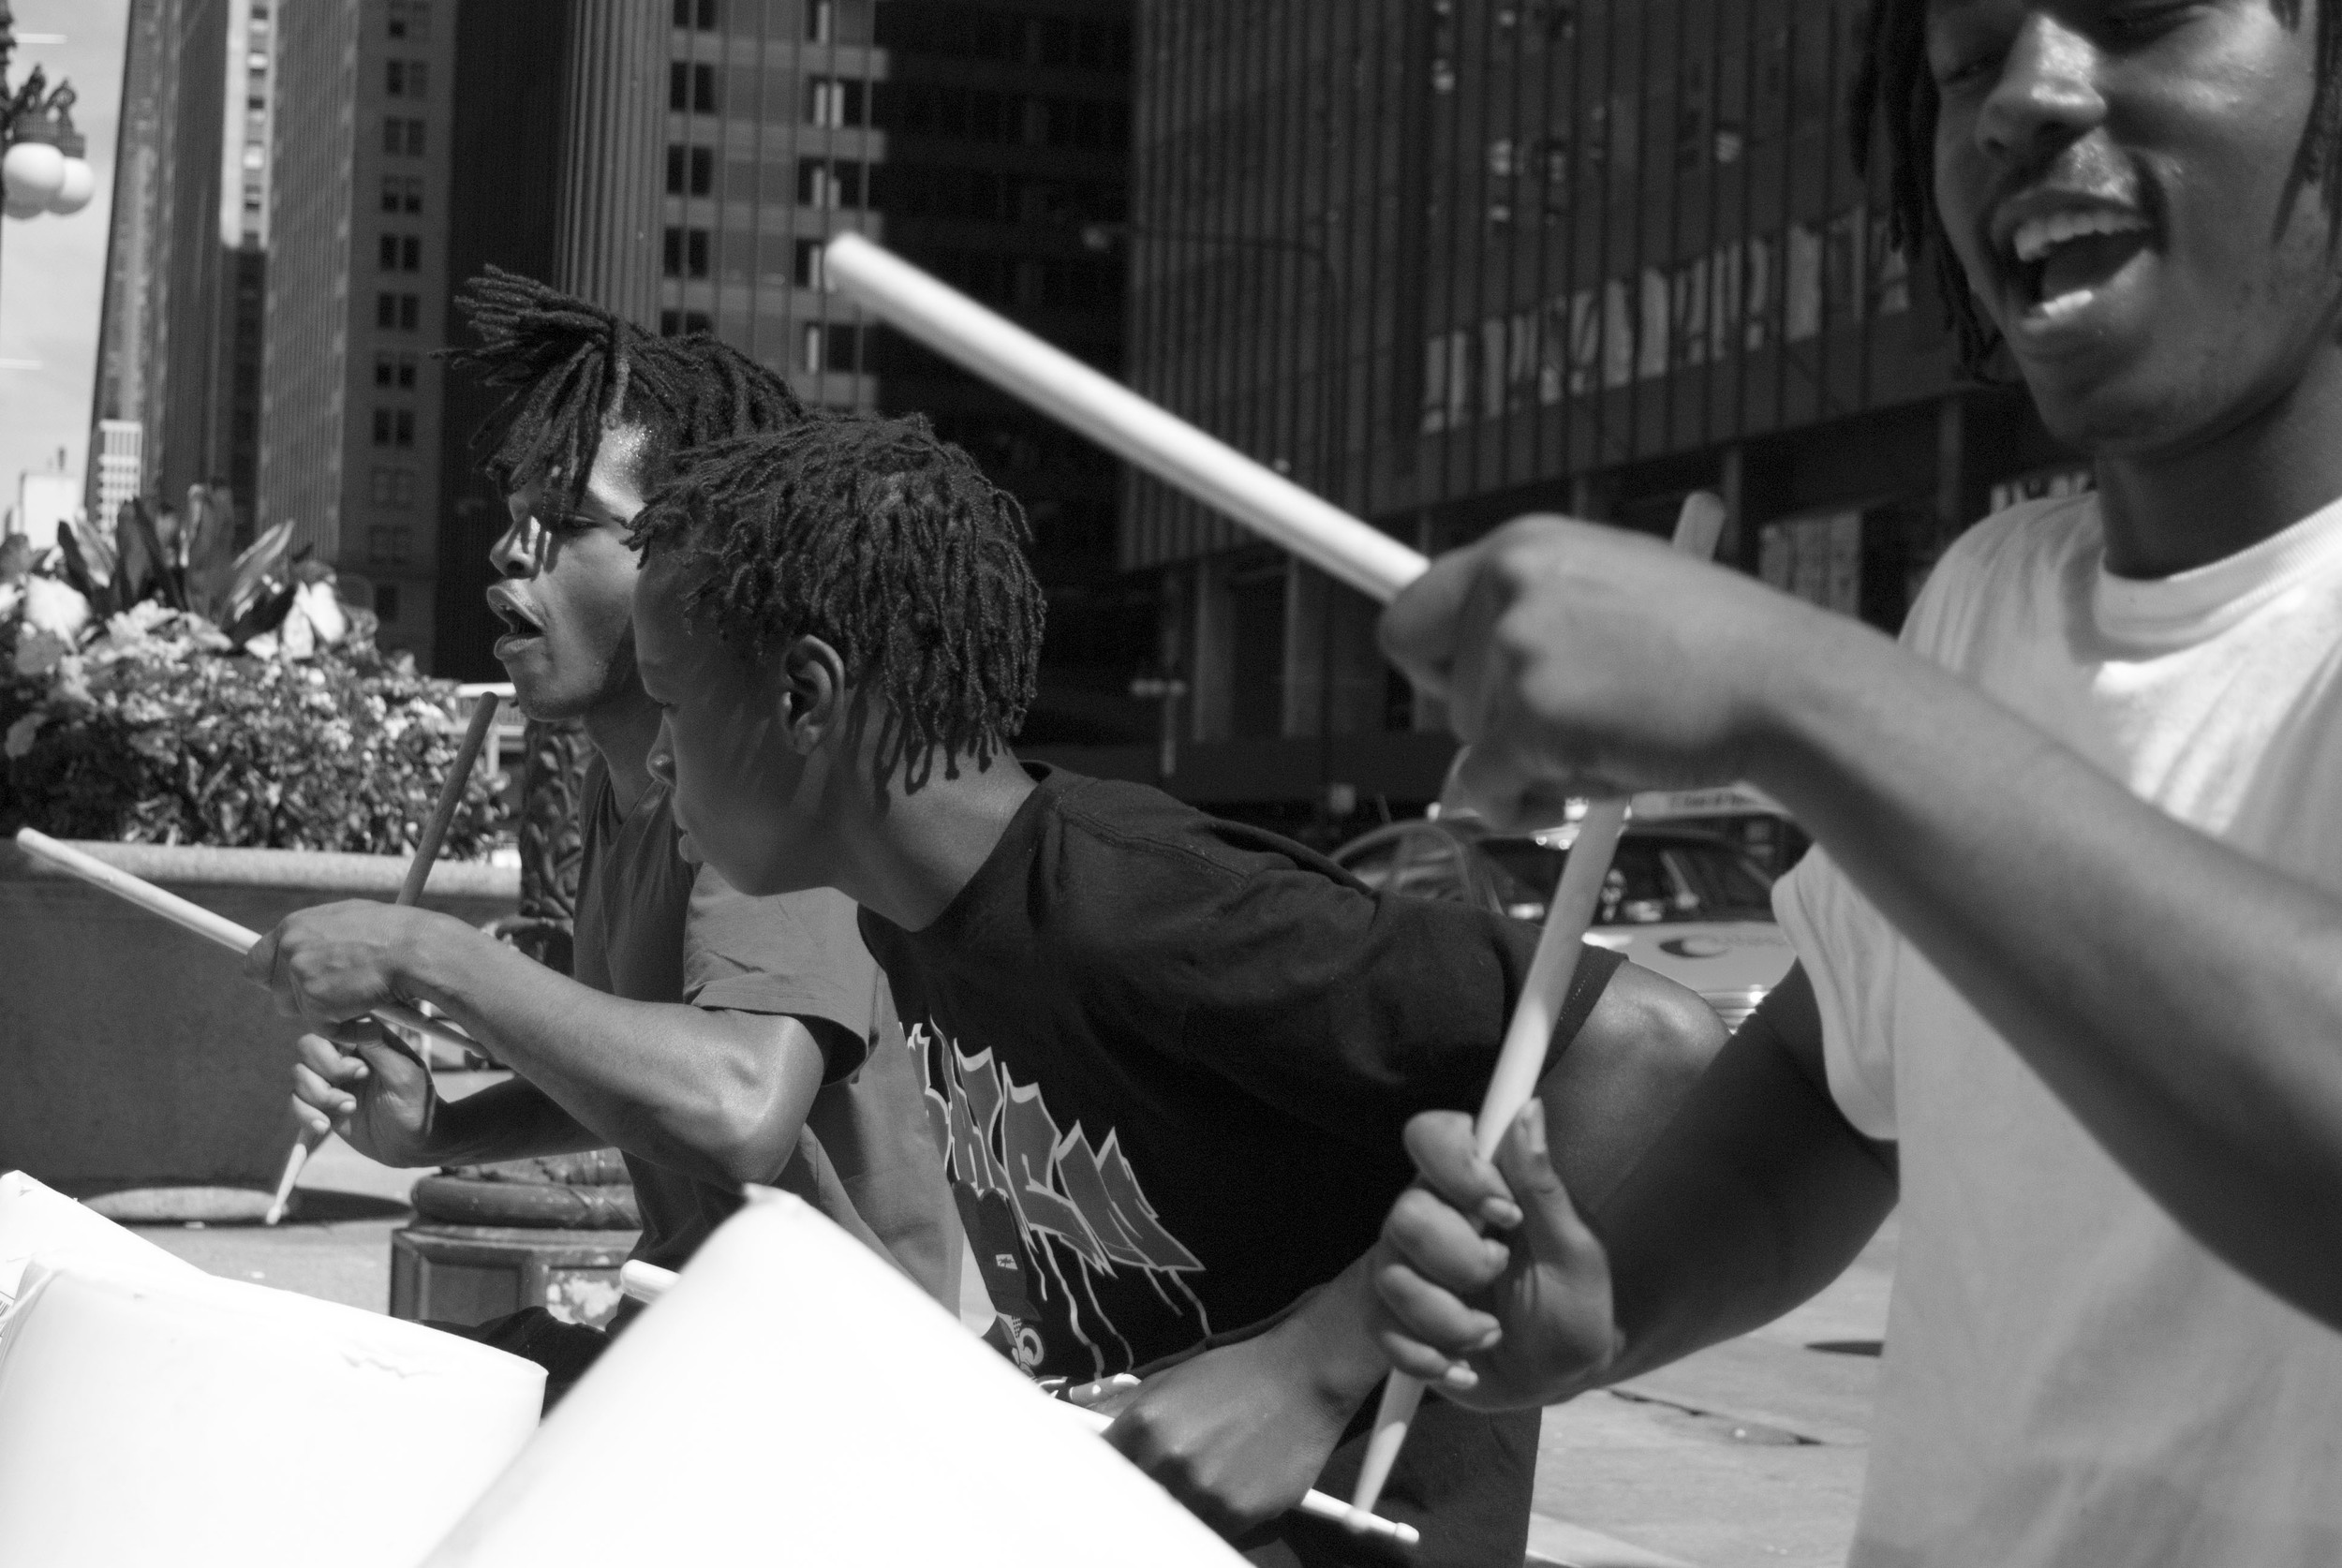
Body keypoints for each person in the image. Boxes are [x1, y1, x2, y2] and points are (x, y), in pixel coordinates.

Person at [1368, 1, 2342, 1562]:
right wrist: (1612, 1298)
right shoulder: (1987, 594)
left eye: (2145, 8)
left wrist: (1795, 684)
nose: (2026, 89)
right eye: (1963, 57)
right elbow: (1844, 1087)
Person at [620, 413, 1728, 1566]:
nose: (657, 754)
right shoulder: (906, 924)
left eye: (671, 698)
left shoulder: (1140, 906)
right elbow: (1127, 1266)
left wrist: (1315, 1368)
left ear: (806, 695)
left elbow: (1651, 1043)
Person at [244, 273, 958, 1398]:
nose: (506, 555)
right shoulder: (618, 785)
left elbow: (736, 1105)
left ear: (694, 557)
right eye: (509, 518)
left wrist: (430, 954)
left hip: (835, 1400)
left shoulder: (761, 790)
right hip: (694, 1351)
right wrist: (440, 1130)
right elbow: (650, 1059)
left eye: (565, 523)